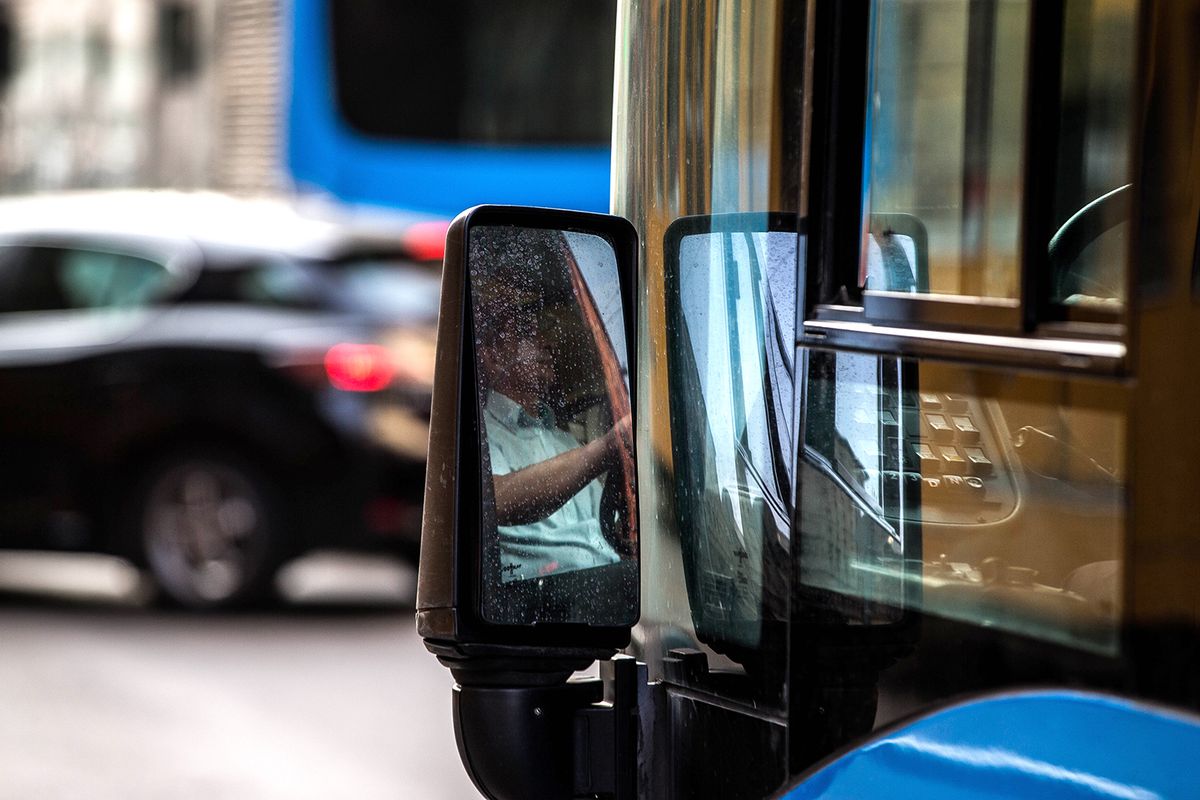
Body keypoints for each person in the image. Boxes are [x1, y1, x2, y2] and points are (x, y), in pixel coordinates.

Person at [477, 307, 631, 582]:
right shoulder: (481, 433)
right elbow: (493, 500)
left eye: (543, 333)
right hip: (535, 594)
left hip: (602, 577)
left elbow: (607, 525)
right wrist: (607, 447)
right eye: (526, 333)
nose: (546, 342)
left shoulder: (564, 440)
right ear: (492, 356)